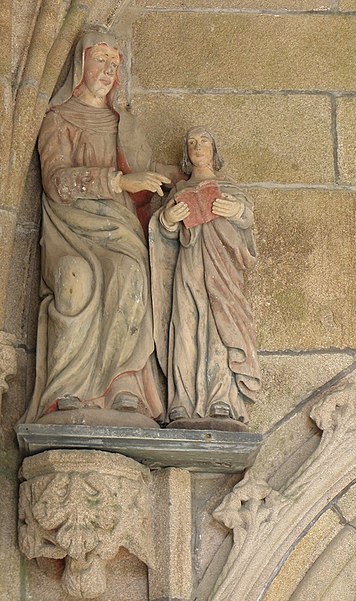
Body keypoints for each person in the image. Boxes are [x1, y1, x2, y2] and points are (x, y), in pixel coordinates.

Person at [22, 31, 181, 427]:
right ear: (81, 67)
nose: (108, 72)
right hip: (70, 230)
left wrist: (190, 180)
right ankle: (65, 390)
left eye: (115, 65)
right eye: (101, 62)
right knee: (76, 280)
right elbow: (57, 182)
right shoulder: (58, 119)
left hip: (117, 229)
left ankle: (123, 385)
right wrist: (115, 182)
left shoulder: (124, 123)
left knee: (129, 276)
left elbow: (145, 173)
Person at [150, 126, 261, 431]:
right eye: (192, 143)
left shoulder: (232, 188)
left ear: (214, 149)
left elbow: (247, 220)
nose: (198, 148)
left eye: (204, 142)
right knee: (184, 326)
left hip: (222, 269)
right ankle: (181, 402)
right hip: (188, 266)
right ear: (186, 153)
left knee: (219, 327)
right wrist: (167, 219)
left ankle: (221, 399)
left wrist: (236, 210)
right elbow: (163, 235)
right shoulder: (177, 192)